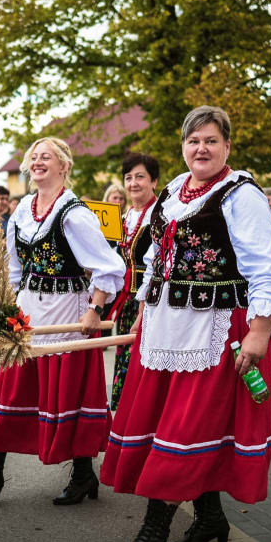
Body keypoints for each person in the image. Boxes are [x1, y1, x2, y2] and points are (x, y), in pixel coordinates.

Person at [101, 106, 271, 542]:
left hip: (213, 328)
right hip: (165, 326)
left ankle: (154, 532)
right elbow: (157, 259)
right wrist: (143, 312)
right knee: (175, 424)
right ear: (183, 146)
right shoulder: (171, 192)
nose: (200, 148)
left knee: (184, 427)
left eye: (210, 140)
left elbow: (267, 266)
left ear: (226, 145)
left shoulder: (240, 193)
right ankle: (210, 518)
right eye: (193, 141)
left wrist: (260, 331)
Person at [0, 136, 125, 505]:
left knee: (68, 394)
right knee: (11, 389)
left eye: (46, 157)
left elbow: (109, 265)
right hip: (30, 310)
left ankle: (82, 475)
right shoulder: (22, 211)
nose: (37, 162)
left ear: (64, 166)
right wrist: (7, 309)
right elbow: (14, 266)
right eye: (34, 157)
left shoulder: (74, 212)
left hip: (67, 310)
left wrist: (95, 309)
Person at [109, 152, 160, 410]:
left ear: (154, 181)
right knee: (125, 354)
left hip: (152, 300)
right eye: (128, 178)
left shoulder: (160, 214)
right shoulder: (125, 216)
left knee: (144, 357)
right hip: (127, 300)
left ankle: (142, 415)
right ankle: (124, 418)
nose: (133, 183)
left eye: (140, 177)